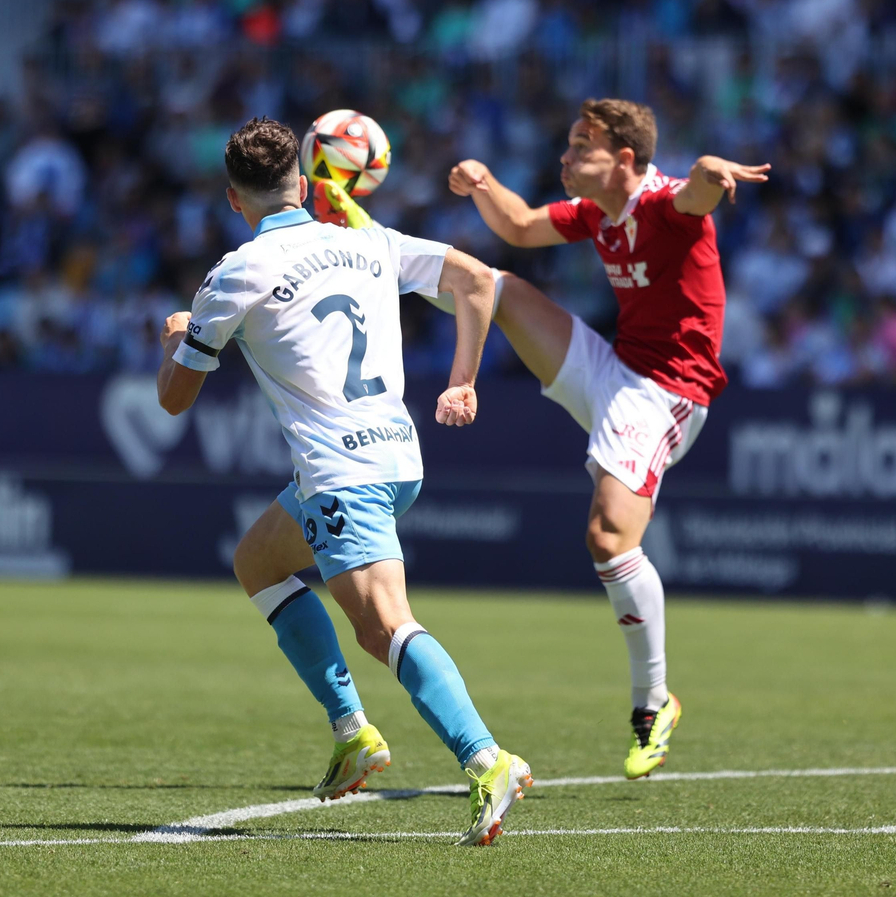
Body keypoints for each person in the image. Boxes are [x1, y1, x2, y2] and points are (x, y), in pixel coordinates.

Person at [156, 117, 532, 846]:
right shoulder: (369, 241)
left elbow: (174, 399)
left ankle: (488, 758)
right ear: (303, 181)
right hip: (397, 455)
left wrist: (176, 338)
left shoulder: (238, 271)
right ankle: (352, 730)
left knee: (383, 624)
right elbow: (479, 280)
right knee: (259, 561)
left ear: (234, 200)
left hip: (340, 473)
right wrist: (463, 382)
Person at [441, 98, 767, 779]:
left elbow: (696, 193)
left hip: (667, 391)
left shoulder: (661, 206)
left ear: (624, 159)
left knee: (609, 536)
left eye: (580, 146)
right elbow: (522, 224)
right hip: (615, 372)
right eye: (566, 145)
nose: (565, 158)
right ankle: (460, 381)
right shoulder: (599, 213)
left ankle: (653, 703)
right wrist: (481, 182)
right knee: (494, 283)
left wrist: (710, 169)